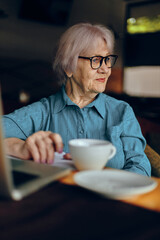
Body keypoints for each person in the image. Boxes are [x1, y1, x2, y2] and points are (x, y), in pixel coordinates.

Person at [3, 22, 151, 176]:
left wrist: (114, 187)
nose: (105, 69)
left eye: (107, 59)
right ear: (69, 67)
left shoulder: (121, 111)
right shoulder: (42, 111)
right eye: (96, 60)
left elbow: (140, 166)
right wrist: (17, 147)